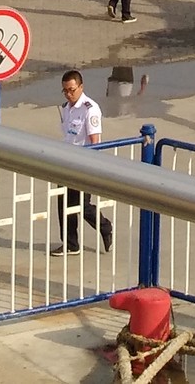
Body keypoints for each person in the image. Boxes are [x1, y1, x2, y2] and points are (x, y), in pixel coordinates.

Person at [53, 70, 113, 255]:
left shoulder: (90, 109)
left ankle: (105, 227)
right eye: (65, 91)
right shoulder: (66, 107)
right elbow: (68, 135)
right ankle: (70, 244)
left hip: (83, 163)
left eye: (71, 90)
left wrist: (92, 166)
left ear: (81, 87)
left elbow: (95, 141)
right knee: (64, 203)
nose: (68, 94)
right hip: (66, 161)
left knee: (81, 204)